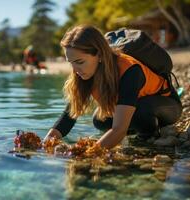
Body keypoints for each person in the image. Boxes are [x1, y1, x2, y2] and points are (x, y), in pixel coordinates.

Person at [43, 25, 182, 149]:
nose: (75, 69)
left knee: (140, 111)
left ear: (99, 54)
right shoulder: (84, 74)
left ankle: (148, 138)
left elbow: (119, 130)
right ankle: (135, 130)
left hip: (165, 106)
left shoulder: (130, 70)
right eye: (71, 62)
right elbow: (68, 118)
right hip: (134, 108)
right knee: (99, 120)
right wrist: (45, 145)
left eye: (79, 62)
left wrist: (89, 155)